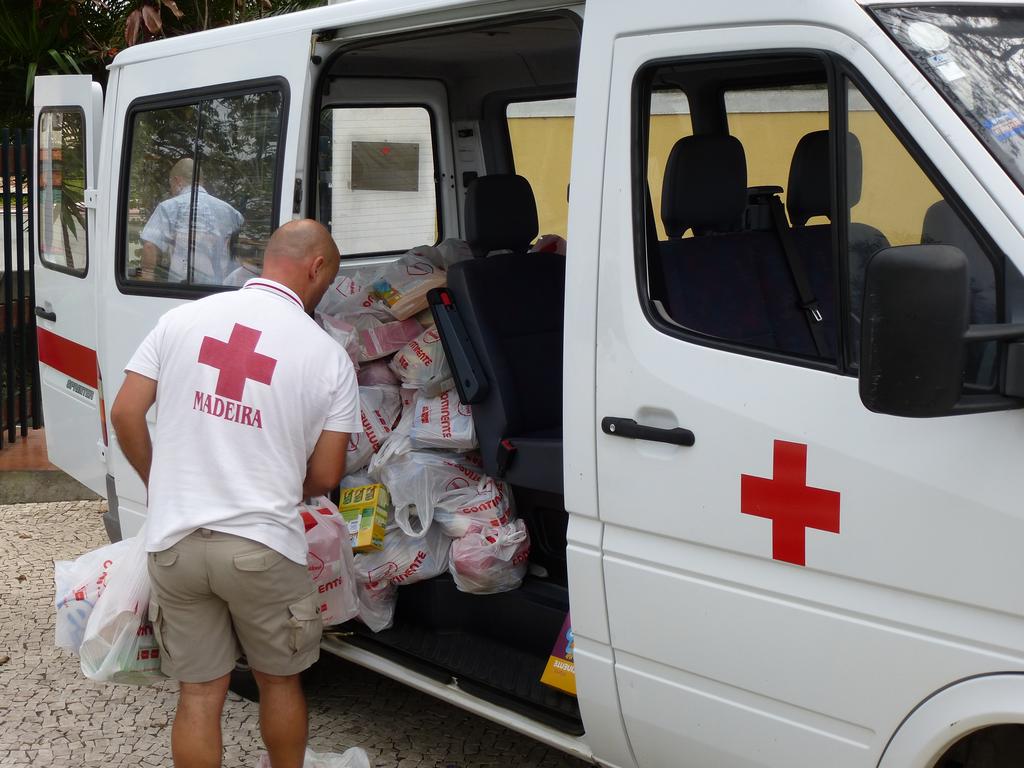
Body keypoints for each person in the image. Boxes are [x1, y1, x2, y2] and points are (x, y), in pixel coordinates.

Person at [111, 219, 361, 768]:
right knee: (280, 682)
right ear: (317, 267)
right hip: (262, 547)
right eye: (325, 282)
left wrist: (160, 483)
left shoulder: (182, 320)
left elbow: (125, 413)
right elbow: (326, 474)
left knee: (200, 695)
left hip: (175, 543)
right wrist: (276, 482)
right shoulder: (328, 357)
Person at [140, 158, 244, 285]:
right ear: (201, 181)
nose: (171, 190)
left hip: (180, 287)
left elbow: (150, 246)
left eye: (170, 184)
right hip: (218, 289)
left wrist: (147, 276)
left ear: (177, 181)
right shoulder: (231, 212)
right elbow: (237, 252)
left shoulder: (168, 207)